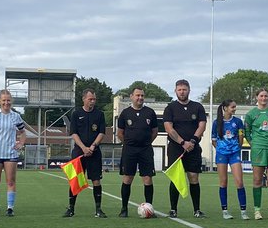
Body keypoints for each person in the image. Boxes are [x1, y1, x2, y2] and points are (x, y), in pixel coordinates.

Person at [162, 79, 208, 218]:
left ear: (189, 90)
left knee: (193, 177)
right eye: (179, 90)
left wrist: (192, 141)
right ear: (175, 91)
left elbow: (202, 125)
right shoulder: (170, 108)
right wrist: (182, 142)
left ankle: (197, 210)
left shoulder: (198, 107)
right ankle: (173, 209)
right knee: (176, 178)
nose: (182, 92)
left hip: (193, 148)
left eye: (184, 89)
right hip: (176, 148)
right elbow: (169, 128)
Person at [64, 88, 107, 218]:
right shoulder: (76, 114)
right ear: (83, 99)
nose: (92, 101)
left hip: (94, 152)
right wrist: (83, 147)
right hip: (79, 152)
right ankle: (71, 209)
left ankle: (98, 210)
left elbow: (101, 132)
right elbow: (73, 133)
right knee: (75, 181)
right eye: (90, 99)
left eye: (94, 99)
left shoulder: (99, 114)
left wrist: (93, 146)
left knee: (96, 180)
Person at [117, 86, 159, 217]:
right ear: (131, 97)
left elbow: (155, 132)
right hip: (129, 150)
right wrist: (129, 143)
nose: (140, 98)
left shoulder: (150, 112)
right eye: (137, 95)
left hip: (145, 149)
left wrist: (146, 142)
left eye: (142, 95)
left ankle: (149, 209)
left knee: (147, 179)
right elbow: (120, 133)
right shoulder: (125, 113)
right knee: (128, 178)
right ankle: (124, 209)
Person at [243, 89, 268, 220]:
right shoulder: (251, 114)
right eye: (261, 96)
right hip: (258, 148)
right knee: (257, 180)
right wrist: (254, 143)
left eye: (266, 96)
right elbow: (247, 132)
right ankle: (257, 211)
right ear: (257, 97)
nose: (263, 98)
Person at [0, 90, 26, 216]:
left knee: (11, 181)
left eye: (8, 100)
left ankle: (10, 208)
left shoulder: (16, 116)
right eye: (3, 100)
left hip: (10, 153)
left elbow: (23, 132)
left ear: (11, 101)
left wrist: (20, 144)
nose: (6, 103)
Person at [212, 99, 247, 220]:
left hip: (234, 154)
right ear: (225, 108)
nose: (234, 109)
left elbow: (241, 137)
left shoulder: (238, 121)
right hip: (221, 155)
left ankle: (243, 211)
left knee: (239, 182)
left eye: (235, 107)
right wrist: (221, 149)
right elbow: (213, 140)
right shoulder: (216, 123)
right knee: (223, 182)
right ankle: (225, 211)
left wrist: (236, 148)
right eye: (232, 107)